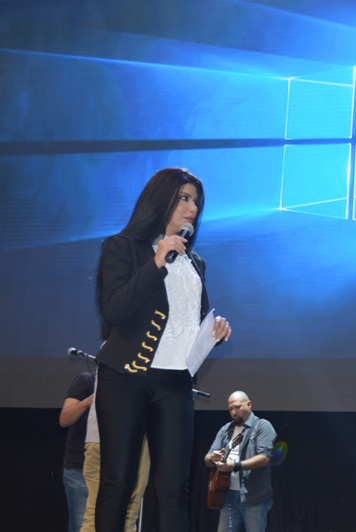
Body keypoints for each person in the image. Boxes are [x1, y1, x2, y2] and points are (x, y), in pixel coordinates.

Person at [93, 167, 232, 531]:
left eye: (196, 202)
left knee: (173, 491)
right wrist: (156, 261)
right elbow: (114, 310)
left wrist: (214, 329)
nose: (193, 208)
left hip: (175, 383)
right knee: (118, 483)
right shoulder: (123, 247)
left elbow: (189, 321)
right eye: (184, 198)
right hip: (125, 378)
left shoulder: (195, 263)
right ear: (161, 199)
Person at [81, 374, 150, 532]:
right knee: (128, 512)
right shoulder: (146, 358)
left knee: (94, 512)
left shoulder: (107, 357)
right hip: (131, 439)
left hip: (97, 435)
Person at [205, 391, 277, 532]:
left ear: (249, 404)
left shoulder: (262, 426)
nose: (233, 412)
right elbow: (207, 458)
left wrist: (234, 466)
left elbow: (264, 458)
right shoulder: (226, 429)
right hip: (227, 495)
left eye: (237, 407)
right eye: (230, 409)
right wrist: (213, 458)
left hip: (254, 497)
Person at [60, 371, 95, 532]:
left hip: (112, 471)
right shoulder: (87, 380)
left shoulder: (127, 386)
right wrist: (87, 402)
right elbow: (64, 419)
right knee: (81, 526)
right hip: (79, 469)